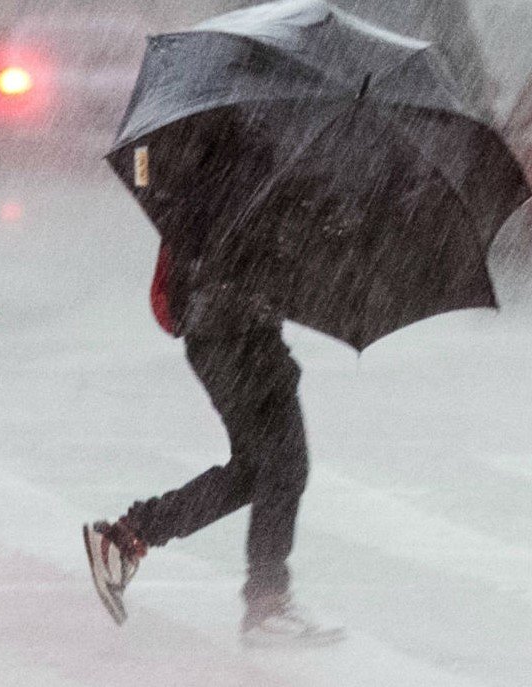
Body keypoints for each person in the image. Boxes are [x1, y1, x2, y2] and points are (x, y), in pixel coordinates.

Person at [83, 119, 344, 647]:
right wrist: (317, 220)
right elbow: (252, 247)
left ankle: (128, 537)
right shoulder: (251, 157)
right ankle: (267, 605)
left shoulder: (227, 147)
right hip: (236, 332)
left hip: (227, 331)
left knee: (259, 471)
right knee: (283, 467)